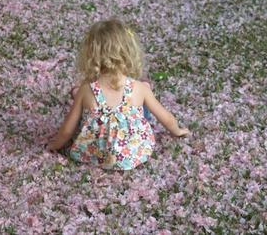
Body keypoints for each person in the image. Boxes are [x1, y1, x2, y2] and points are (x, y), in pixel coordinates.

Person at [46, 19, 190, 170]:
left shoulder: (86, 89)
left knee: (86, 107)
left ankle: (79, 98)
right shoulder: (139, 88)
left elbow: (68, 129)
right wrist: (177, 131)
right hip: (133, 153)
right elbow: (166, 118)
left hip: (95, 154)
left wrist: (55, 145)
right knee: (142, 108)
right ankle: (138, 100)